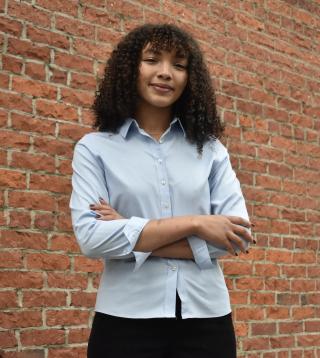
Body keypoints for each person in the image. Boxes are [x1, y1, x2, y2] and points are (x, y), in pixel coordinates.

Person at [70, 23, 254, 358]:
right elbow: (92, 238)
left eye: (179, 65)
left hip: (207, 320)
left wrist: (131, 230)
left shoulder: (211, 151)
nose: (165, 73)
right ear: (130, 68)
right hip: (125, 320)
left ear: (189, 78)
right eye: (152, 60)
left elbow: (236, 236)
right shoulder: (94, 149)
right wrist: (196, 224)